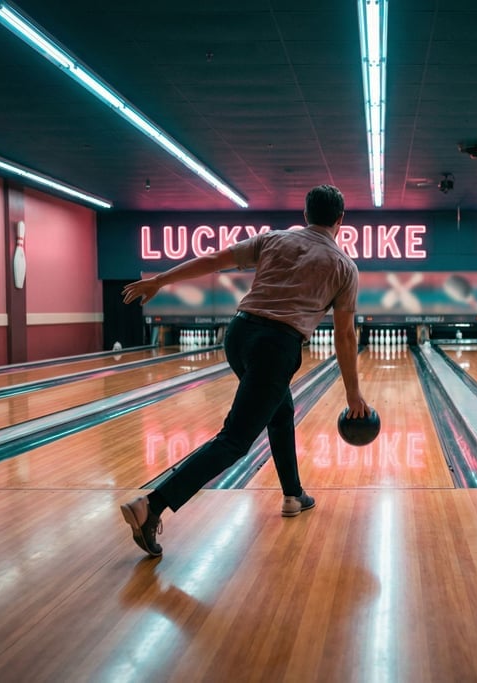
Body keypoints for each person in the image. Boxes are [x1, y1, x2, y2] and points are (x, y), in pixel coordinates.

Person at [120, 185, 370, 556]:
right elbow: (345, 336)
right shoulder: (343, 266)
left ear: (305, 215)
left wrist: (160, 279)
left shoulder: (273, 239)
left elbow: (215, 259)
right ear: (341, 220)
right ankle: (152, 505)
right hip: (277, 346)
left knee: (281, 412)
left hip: (239, 334)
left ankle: (292, 495)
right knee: (235, 440)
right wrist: (353, 393)